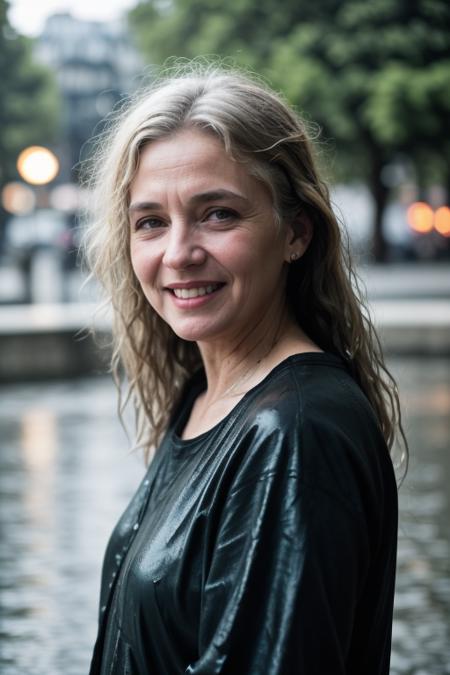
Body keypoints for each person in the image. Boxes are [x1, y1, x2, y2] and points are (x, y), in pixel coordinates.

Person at [84, 63, 407, 675]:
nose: (179, 253)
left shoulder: (292, 434)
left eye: (218, 214)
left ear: (296, 233)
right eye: (151, 221)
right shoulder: (207, 396)